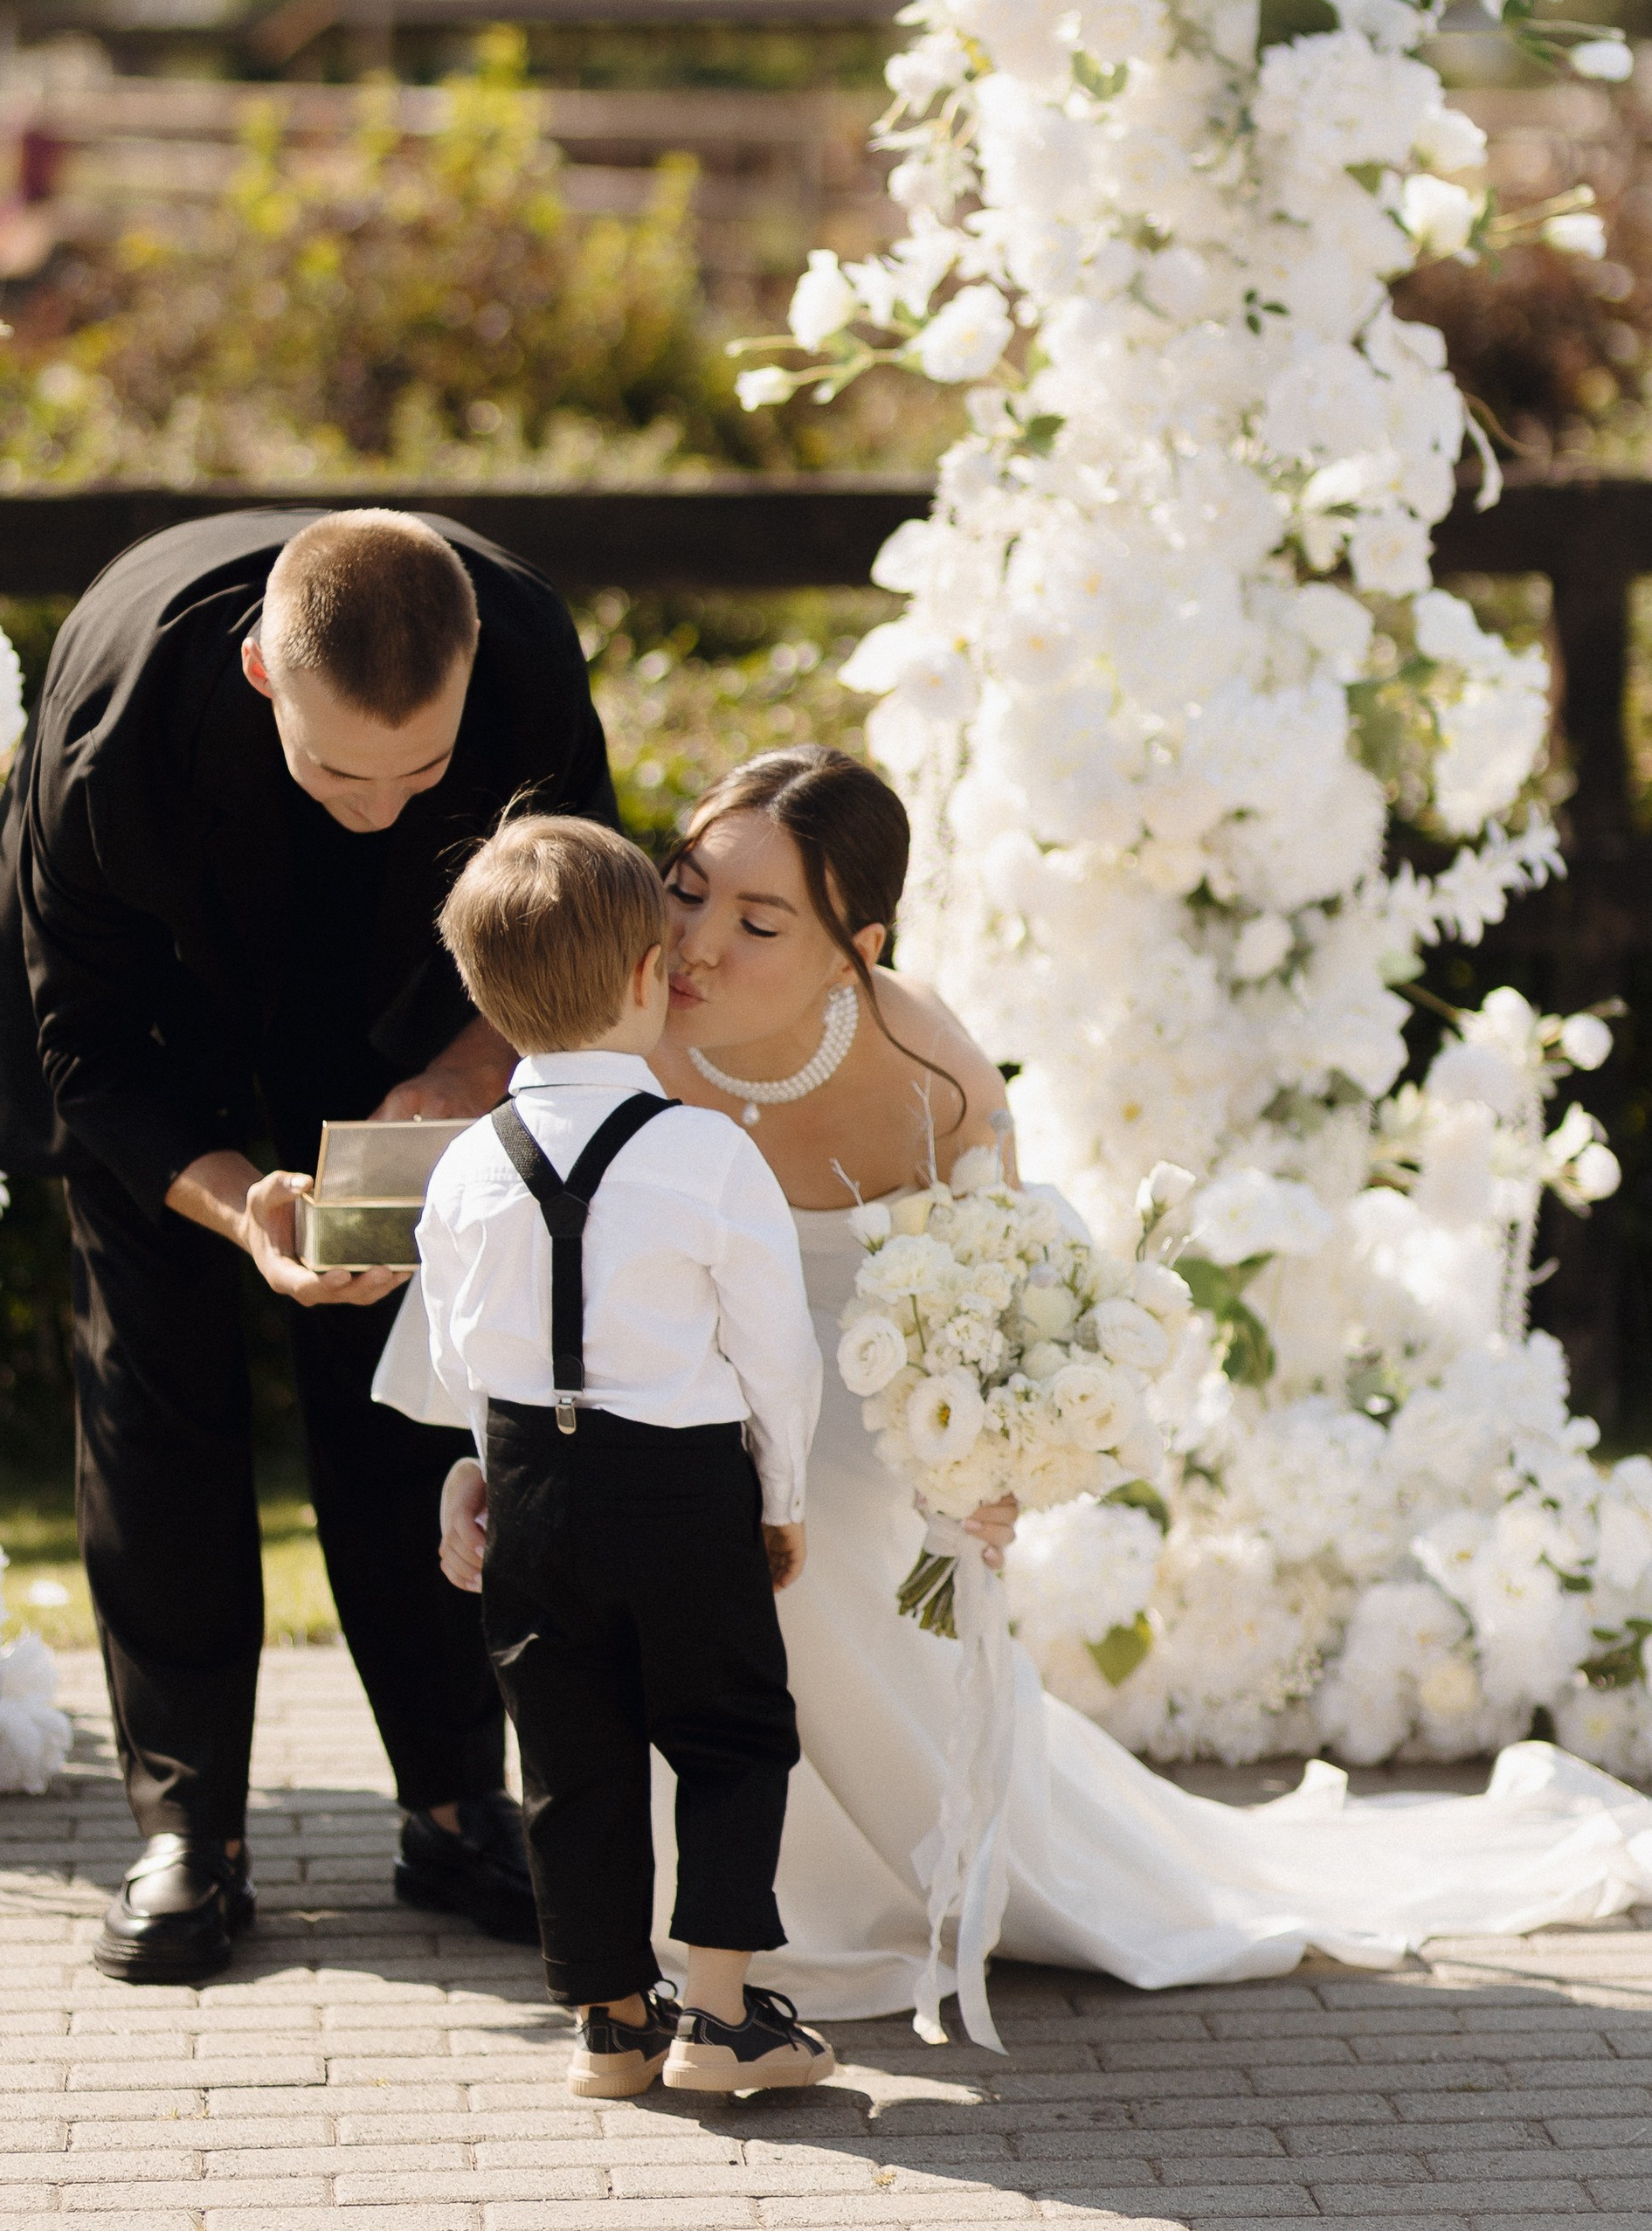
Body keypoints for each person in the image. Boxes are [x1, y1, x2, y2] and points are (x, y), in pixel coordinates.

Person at [653, 743, 1652, 2019]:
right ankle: (695, 1884)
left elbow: (1005, 1286)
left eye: (757, 923)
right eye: (686, 890)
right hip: (682, 1347)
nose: (697, 946)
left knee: (832, 1511)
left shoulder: (930, 1070)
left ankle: (886, 1877)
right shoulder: (629, 1012)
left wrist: (986, 1460)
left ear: (858, 947)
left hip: (863, 1363)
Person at [0, 505, 615, 1981]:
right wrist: (245, 1203)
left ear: (474, 667)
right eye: (339, 770)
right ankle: (190, 1833)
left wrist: (461, 1073)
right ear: (260, 673)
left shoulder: (530, 661)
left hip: (399, 1010)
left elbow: (572, 932)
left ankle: (455, 1803)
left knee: (413, 1385)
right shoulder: (117, 731)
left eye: (420, 772)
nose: (379, 808)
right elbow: (89, 1051)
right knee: (155, 1389)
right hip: (154, 1023)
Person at [417, 812, 838, 2103]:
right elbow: (777, 1355)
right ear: (652, 974)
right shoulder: (708, 1153)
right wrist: (780, 1497)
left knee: (569, 1758)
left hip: (533, 1494)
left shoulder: (464, 1169)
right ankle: (721, 2018)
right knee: (729, 1735)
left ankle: (608, 2024)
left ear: (482, 992)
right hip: (682, 1487)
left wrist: (478, 1474)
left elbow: (459, 1353)